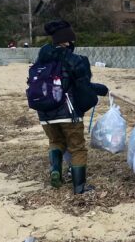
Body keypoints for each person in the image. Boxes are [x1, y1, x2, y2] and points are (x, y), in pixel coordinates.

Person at [35, 20, 108, 194]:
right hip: (68, 113)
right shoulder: (76, 60)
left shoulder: (41, 58)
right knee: (77, 148)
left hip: (44, 113)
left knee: (56, 141)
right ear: (68, 41)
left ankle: (55, 170)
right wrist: (100, 90)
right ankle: (80, 187)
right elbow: (83, 87)